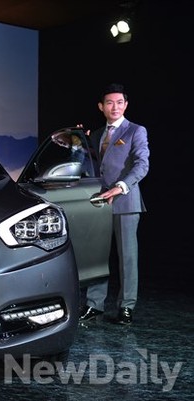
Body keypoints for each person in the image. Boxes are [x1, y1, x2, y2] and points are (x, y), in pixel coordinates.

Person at [79, 83, 150, 325]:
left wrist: (120, 187)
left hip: (125, 201)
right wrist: (78, 141)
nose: (115, 107)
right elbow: (90, 165)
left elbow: (142, 164)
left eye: (120, 102)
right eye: (109, 103)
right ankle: (94, 305)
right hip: (99, 203)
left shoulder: (136, 131)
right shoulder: (97, 134)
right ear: (101, 107)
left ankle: (126, 306)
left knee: (127, 257)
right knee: (97, 257)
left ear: (126, 105)